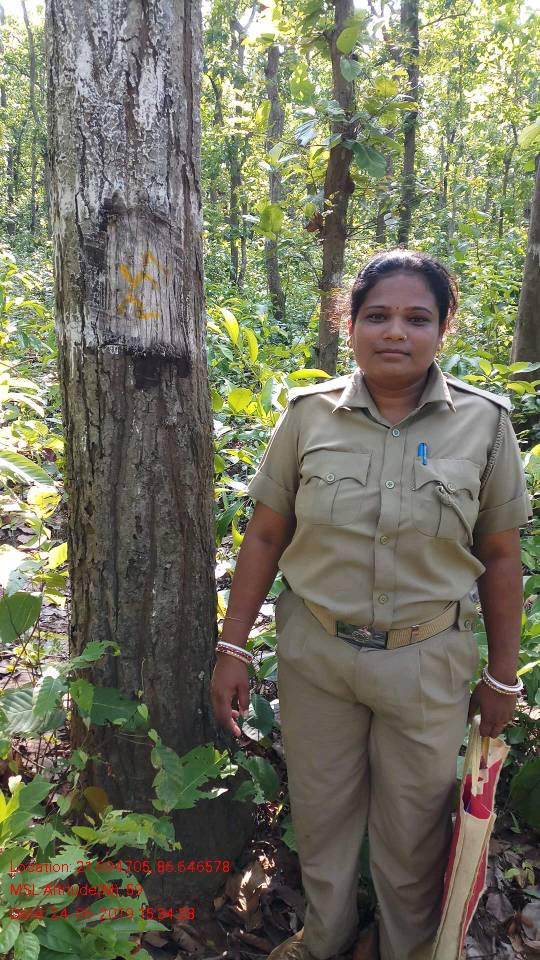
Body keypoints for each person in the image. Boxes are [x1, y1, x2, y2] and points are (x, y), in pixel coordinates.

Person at [210, 249, 532, 960]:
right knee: (320, 813)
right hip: (317, 656)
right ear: (348, 323)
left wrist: (503, 676)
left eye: (418, 317)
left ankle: (405, 948)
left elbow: (502, 556)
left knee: (414, 829)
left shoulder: (484, 424)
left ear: (443, 328)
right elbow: (265, 534)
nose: (396, 332)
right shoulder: (308, 416)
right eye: (378, 315)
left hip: (426, 661)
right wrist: (232, 647)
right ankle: (323, 941)